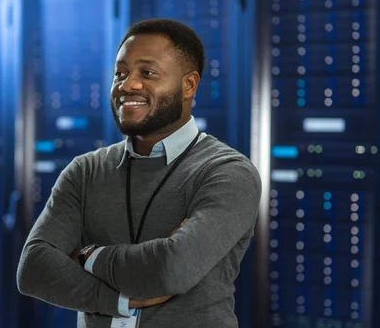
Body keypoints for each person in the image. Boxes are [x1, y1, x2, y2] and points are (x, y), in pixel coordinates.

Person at [17, 18, 262, 328]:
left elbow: (171, 269)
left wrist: (86, 255)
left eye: (147, 73)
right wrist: (118, 301)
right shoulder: (85, 171)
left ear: (188, 85)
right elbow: (33, 269)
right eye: (120, 73)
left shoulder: (226, 172)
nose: (128, 85)